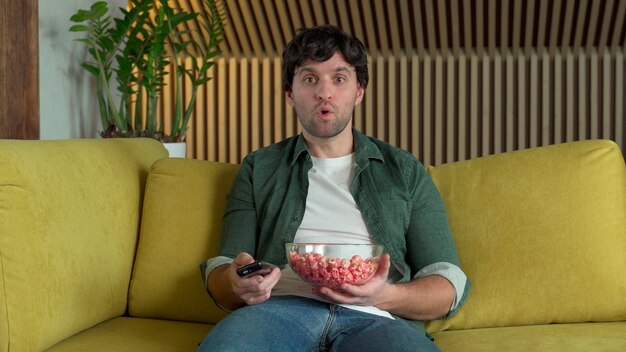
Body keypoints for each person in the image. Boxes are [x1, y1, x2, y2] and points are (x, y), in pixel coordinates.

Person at [197, 25, 470, 352]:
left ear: (359, 91)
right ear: (290, 94)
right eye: (310, 79)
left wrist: (385, 296)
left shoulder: (404, 169)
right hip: (279, 308)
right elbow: (222, 269)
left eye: (339, 79)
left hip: (377, 314)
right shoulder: (259, 167)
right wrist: (235, 281)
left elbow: (448, 283)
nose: (324, 93)